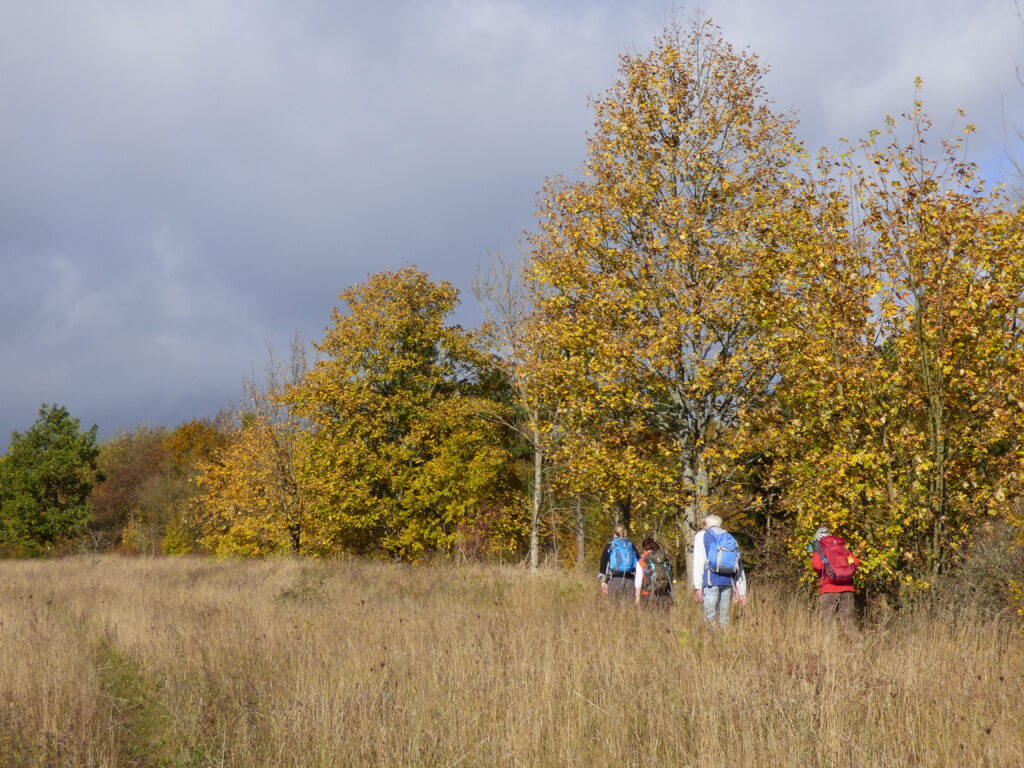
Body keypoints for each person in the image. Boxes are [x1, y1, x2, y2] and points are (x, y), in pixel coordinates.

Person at [692, 515, 747, 625]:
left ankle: (712, 641)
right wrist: (742, 592)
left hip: (710, 582)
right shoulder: (730, 537)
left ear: (707, 524)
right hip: (727, 582)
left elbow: (699, 562)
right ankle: (724, 640)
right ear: (720, 524)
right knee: (724, 618)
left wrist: (697, 587)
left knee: (710, 618)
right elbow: (738, 566)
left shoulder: (701, 536)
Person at [809, 526, 860, 639]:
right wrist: (844, 572)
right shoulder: (843, 550)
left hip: (828, 589)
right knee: (848, 621)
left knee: (827, 619)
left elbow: (816, 565)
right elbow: (855, 562)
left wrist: (827, 570)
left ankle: (832, 646)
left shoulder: (819, 550)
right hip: (847, 588)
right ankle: (859, 645)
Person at [597, 524, 639, 601]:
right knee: (629, 610)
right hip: (630, 580)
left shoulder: (610, 546)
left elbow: (604, 565)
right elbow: (638, 565)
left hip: (614, 580)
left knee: (615, 610)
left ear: (614, 534)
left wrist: (603, 582)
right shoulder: (631, 546)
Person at [634, 536, 673, 610]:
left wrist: (637, 598)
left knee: (649, 620)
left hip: (648, 595)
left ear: (644, 548)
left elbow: (638, 581)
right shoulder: (662, 558)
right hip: (664, 593)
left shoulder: (642, 561)